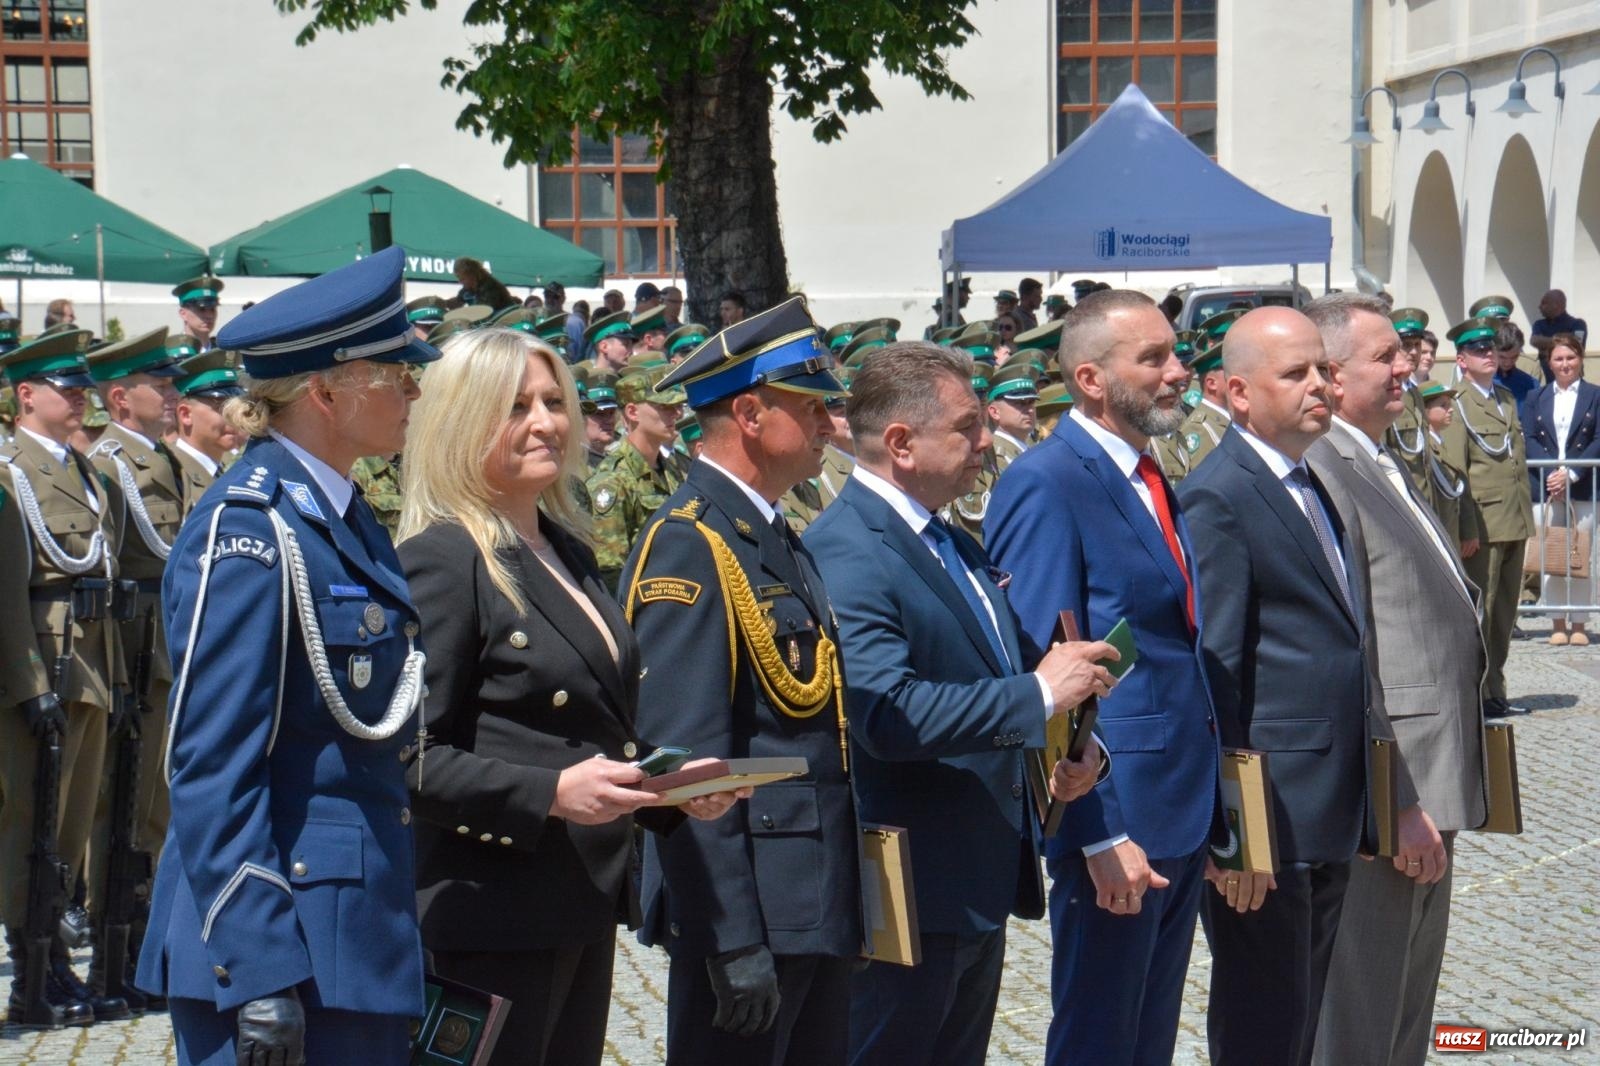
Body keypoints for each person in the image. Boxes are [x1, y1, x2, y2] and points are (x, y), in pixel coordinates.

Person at [394, 327, 743, 1066]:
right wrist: (549, 792)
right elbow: (404, 758)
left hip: (574, 903)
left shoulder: (566, 549)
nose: (546, 422)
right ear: (460, 422)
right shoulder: (444, 559)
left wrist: (666, 786)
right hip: (486, 914)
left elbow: (589, 727)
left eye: (555, 401)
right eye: (514, 406)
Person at [134, 246, 437, 1064]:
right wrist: (261, 968)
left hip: (352, 936)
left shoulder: (343, 512)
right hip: (284, 950)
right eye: (393, 370)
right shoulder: (252, 529)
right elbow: (211, 761)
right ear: (324, 391)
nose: (413, 387)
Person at [806, 340, 1114, 1065]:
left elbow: (994, 669)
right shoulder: (850, 548)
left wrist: (1067, 746)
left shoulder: (944, 536)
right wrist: (1040, 693)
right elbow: (888, 711)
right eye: (967, 427)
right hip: (910, 883)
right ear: (901, 443)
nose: (987, 442)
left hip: (970, 877)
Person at [621, 296, 862, 1066]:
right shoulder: (690, 544)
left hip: (809, 895)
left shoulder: (770, 533)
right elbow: (685, 758)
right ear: (752, 413)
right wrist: (729, 938)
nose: (831, 423)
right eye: (813, 405)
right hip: (750, 905)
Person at [985, 290, 1221, 1066]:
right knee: (1097, 1040)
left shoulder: (1147, 473)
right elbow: (1046, 669)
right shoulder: (1049, 482)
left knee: (1145, 1042)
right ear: (1090, 378)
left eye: (1175, 353)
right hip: (1114, 815)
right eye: (1151, 358)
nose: (1178, 372)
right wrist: (1097, 831)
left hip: (1178, 803)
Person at [1176, 306, 1415, 1066]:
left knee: (1300, 1022)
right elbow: (1217, 670)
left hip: (1327, 806)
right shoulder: (1220, 494)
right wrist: (1235, 832)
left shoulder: (1303, 481)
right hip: (1270, 817)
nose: (1321, 385)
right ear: (1238, 393)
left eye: (1323, 369)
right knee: (1263, 1026)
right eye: (1296, 373)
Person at [1300, 294, 1483, 1066]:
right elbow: (1351, 648)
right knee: (1362, 1009)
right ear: (1333, 376)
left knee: (1407, 1004)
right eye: (1387, 355)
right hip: (1391, 783)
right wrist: (1393, 797)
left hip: (1427, 772)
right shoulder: (1326, 467)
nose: (1409, 364)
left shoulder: (1381, 456)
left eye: (1405, 351)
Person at [0, 327, 128, 1028]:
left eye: (81, 384)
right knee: (32, 823)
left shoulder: (81, 469)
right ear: (26, 394)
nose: (78, 395)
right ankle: (31, 971)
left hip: (91, 658)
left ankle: (57, 963)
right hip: (45, 662)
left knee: (73, 826)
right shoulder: (10, 469)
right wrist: (27, 684)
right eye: (64, 385)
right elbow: (4, 590)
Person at [84, 327, 189, 1014]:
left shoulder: (166, 461)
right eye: (161, 383)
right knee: (124, 810)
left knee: (159, 805)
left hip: (166, 643)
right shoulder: (112, 463)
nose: (173, 392)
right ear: (122, 399)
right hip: (137, 646)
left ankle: (146, 944)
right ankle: (115, 951)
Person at [1441, 315, 1534, 718]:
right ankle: (1475, 693)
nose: (1489, 355)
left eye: (1491, 348)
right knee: (1482, 609)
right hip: (1483, 524)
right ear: (1462, 360)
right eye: (1479, 350)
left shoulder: (1505, 399)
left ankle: (1495, 687)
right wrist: (1465, 527)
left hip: (1513, 520)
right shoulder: (1458, 405)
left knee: (1504, 612)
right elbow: (1455, 471)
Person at [1522, 333, 1600, 645]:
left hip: (1583, 486)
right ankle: (1556, 620)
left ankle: (1579, 622)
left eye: (1570, 358)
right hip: (1546, 485)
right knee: (1551, 555)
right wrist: (1553, 474)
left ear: (1580, 359)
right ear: (1549, 362)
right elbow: (1529, 438)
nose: (1565, 364)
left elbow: (1598, 438)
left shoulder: (1596, 395)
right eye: (1558, 358)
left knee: (1581, 554)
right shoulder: (1536, 397)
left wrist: (1570, 473)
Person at [585, 366, 687, 591]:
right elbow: (610, 571)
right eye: (664, 407)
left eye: (676, 406)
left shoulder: (673, 468)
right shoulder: (612, 481)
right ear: (632, 412)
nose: (676, 413)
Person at [170, 351, 245, 509]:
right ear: (186, 414)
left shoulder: (229, 471)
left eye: (235, 406)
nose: (233, 417)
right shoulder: (171, 474)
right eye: (221, 407)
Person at [1419, 381, 1475, 554]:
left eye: (1449, 405)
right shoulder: (1424, 447)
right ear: (1425, 410)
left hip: (1450, 532)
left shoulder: (1442, 443)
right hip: (1438, 533)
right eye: (1443, 406)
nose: (1450, 409)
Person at [1385, 308, 1433, 492]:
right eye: (1406, 345)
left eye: (1417, 344)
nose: (1414, 352)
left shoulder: (1414, 393)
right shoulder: (1386, 393)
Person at [1529, 289, 1587, 381]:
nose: (1539, 307)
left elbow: (1577, 343)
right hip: (1546, 378)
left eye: (1544, 303)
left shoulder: (1578, 324)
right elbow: (1534, 340)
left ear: (1556, 305)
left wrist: (1546, 346)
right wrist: (1565, 340)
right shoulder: (1539, 324)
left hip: (1571, 378)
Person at [985, 362, 1038, 463]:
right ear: (995, 412)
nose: (1030, 410)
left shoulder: (1031, 448)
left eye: (1031, 402)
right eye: (1020, 403)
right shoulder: (995, 457)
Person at [172, 277, 224, 352]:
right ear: (183, 314)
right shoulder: (173, 352)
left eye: (212, 309)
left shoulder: (223, 352)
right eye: (201, 309)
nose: (209, 316)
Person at [1492, 323, 1539, 407]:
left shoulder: (1530, 384)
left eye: (1514, 357)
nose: (1508, 363)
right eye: (1502, 357)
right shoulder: (1481, 381)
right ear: (1493, 351)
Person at [450, 256, 515, 313]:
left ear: (472, 275)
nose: (460, 281)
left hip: (504, 323)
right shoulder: (467, 289)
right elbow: (457, 302)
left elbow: (483, 312)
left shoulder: (491, 287)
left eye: (463, 278)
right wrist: (443, 303)